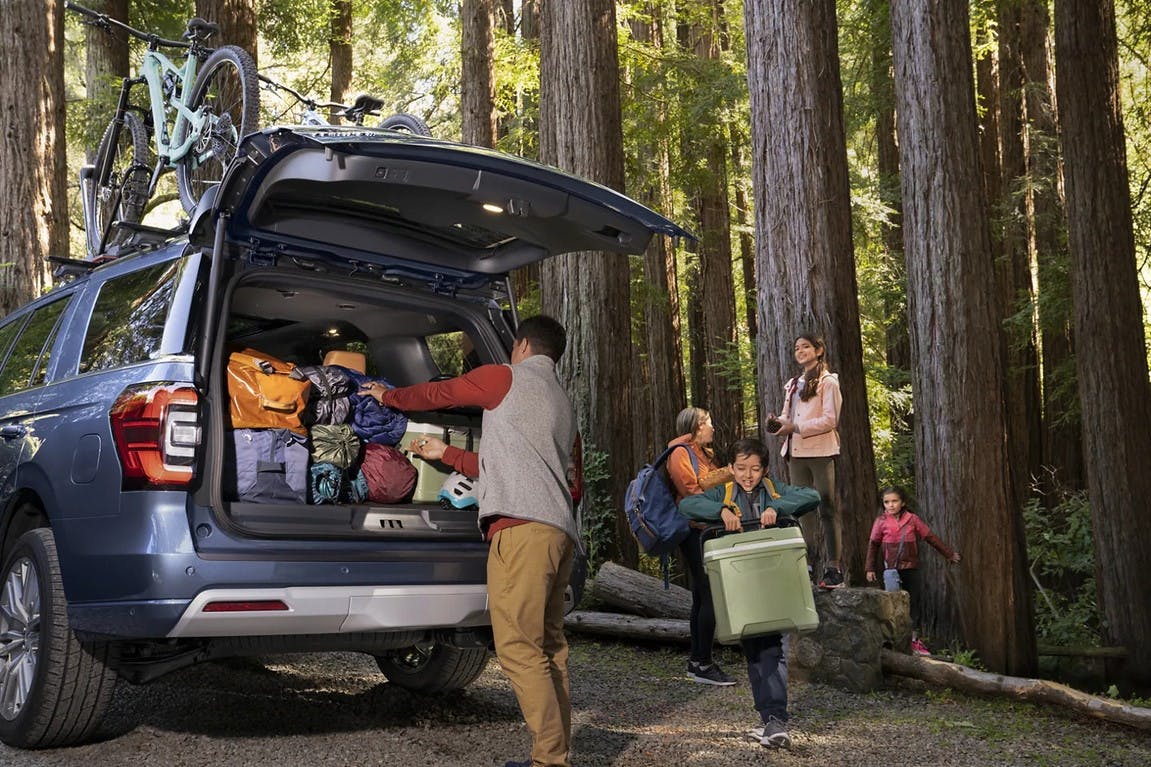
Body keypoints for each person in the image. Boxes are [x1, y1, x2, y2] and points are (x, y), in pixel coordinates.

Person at [361, 315, 577, 767]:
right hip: (558, 533)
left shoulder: (504, 378)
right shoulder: (561, 400)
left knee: (518, 646)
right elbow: (515, 466)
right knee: (549, 646)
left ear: (522, 346)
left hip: (520, 531)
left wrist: (388, 396)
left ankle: (550, 761)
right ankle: (556, 754)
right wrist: (447, 455)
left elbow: (440, 393)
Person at [678, 437, 821, 749]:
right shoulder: (724, 493)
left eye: (755, 469)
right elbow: (687, 505)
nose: (748, 475)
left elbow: (812, 496)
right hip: (740, 584)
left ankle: (776, 719)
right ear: (731, 468)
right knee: (755, 650)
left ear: (764, 469)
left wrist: (775, 508)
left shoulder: (774, 490)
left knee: (772, 648)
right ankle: (768, 719)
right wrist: (721, 511)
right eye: (741, 468)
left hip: (773, 579)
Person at [765, 333, 844, 590]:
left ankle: (834, 568)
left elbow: (830, 420)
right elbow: (787, 418)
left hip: (821, 452)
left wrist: (796, 427)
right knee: (802, 509)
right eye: (797, 348)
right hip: (796, 454)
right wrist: (776, 424)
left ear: (818, 350)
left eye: (806, 347)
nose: (800, 351)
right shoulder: (793, 384)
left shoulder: (828, 382)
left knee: (827, 507)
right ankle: (806, 564)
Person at [667, 406, 735, 685]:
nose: (713, 428)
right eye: (708, 423)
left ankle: (697, 661)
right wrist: (720, 505)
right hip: (694, 531)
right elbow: (692, 492)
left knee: (701, 595)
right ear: (696, 427)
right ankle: (704, 664)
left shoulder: (701, 454)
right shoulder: (680, 453)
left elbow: (709, 486)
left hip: (705, 530)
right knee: (710, 594)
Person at [864, 486, 961, 656]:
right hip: (891, 570)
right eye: (886, 502)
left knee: (913, 604)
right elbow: (873, 545)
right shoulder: (881, 521)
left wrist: (949, 554)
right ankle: (894, 640)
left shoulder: (912, 519)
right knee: (893, 604)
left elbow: (930, 537)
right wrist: (870, 568)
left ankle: (914, 640)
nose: (890, 505)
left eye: (894, 501)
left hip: (911, 568)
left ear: (902, 502)